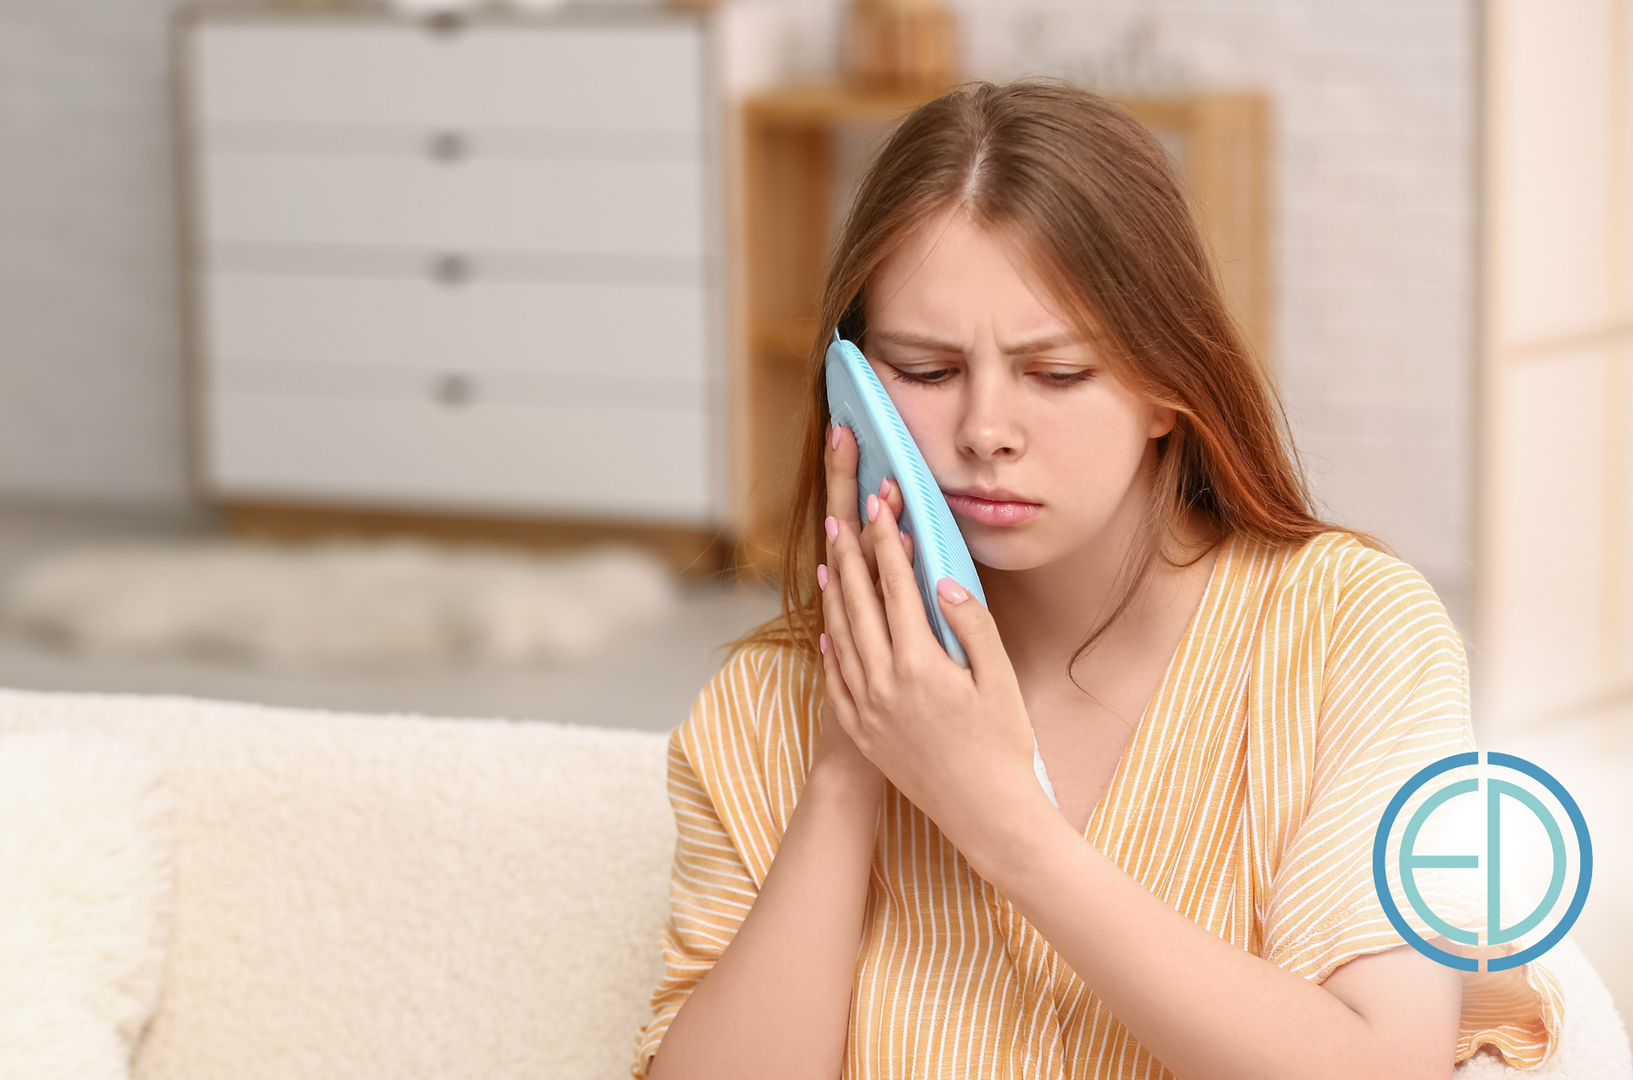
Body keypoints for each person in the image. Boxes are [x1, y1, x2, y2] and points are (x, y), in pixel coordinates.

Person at [635, 81, 1560, 1080]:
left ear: (1168, 383)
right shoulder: (765, 707)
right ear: (851, 388)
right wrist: (852, 767)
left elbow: (1382, 1065)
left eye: (1057, 373)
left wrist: (1009, 829)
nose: (987, 430)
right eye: (926, 370)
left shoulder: (1350, 634)